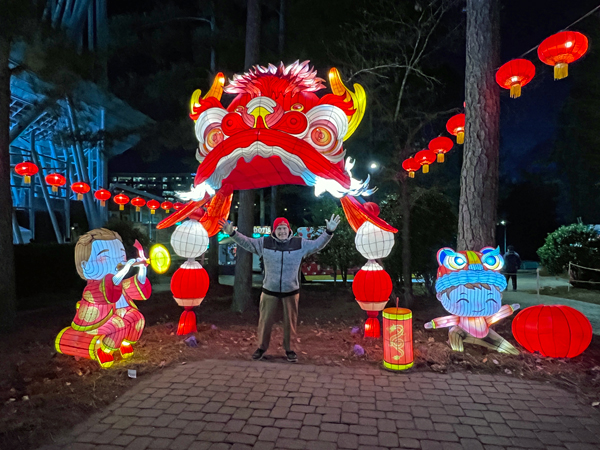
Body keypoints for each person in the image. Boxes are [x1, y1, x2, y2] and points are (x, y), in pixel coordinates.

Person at [219, 214, 340, 362]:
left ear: (288, 229)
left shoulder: (299, 243)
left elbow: (316, 244)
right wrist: (232, 233)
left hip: (291, 291)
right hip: (269, 289)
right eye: (279, 229)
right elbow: (247, 242)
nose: (282, 231)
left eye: (284, 228)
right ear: (274, 231)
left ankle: (290, 349)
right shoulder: (265, 242)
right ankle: (261, 348)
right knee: (265, 321)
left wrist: (329, 232)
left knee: (290, 322)